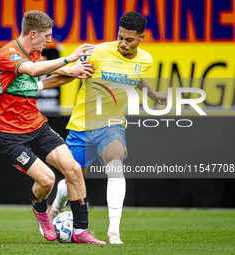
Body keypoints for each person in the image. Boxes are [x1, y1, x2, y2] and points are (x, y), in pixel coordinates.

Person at [48, 12, 168, 244]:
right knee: (74, 178)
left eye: (129, 40)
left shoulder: (146, 59)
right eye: (120, 37)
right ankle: (58, 204)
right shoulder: (98, 52)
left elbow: (135, 77)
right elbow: (70, 73)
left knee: (115, 165)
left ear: (141, 37)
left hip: (112, 125)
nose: (123, 43)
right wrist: (39, 83)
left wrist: (152, 94)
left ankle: (114, 231)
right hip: (83, 125)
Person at [0, 10, 106, 244]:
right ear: (33, 34)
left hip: (37, 126)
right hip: (9, 135)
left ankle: (81, 231)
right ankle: (41, 210)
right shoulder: (6, 54)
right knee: (47, 180)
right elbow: (34, 71)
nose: (50, 40)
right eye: (47, 36)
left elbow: (54, 73)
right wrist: (69, 59)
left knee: (73, 169)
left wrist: (73, 71)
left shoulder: (35, 55)